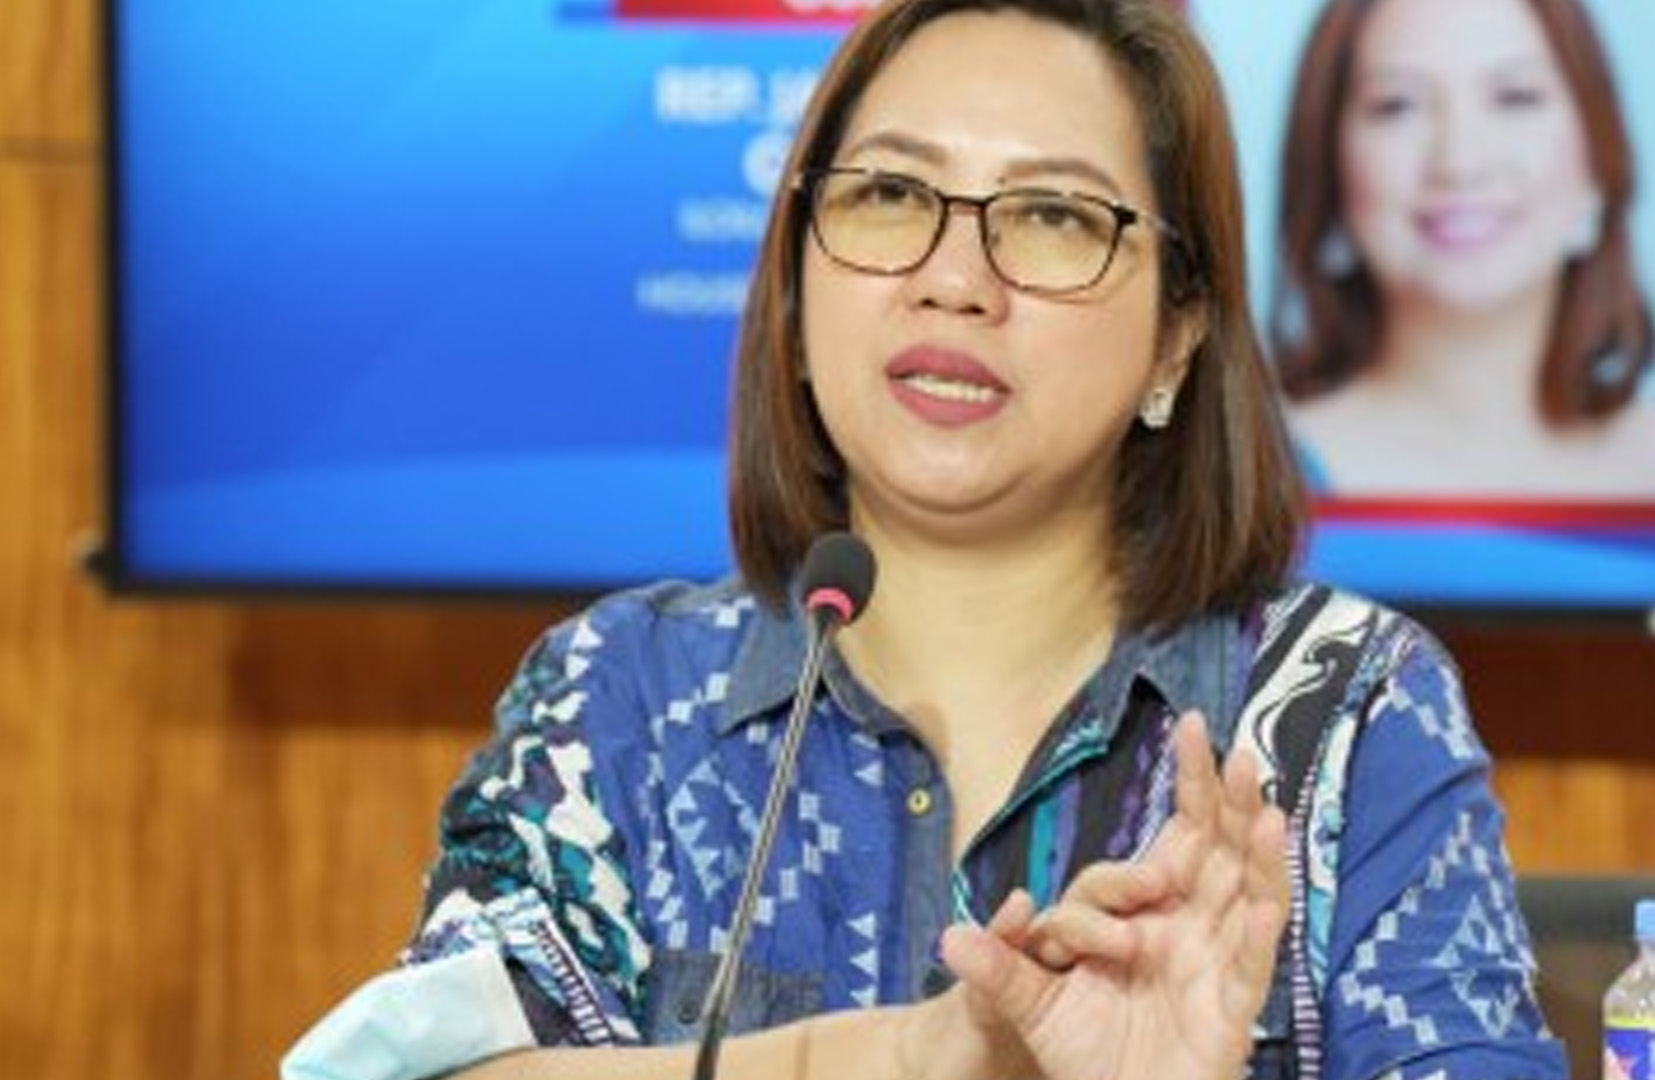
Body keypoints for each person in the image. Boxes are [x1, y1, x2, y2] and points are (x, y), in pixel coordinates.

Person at [283, 1, 1567, 1078]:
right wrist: (911, 1056)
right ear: (796, 288)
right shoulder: (619, 700)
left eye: (1055, 217)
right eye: (892, 195)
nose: (956, 279)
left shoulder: (1339, 716)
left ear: (1176, 338)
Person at [1273, 0, 1655, 502]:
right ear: (1328, 172)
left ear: (1597, 160)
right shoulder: (1250, 486)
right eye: (1397, 106)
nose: (1460, 162)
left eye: (1516, 97)